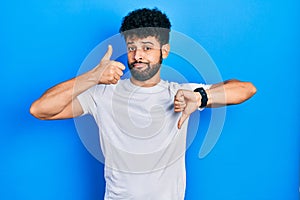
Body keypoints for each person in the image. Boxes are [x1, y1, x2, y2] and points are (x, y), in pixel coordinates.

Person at [30, 8, 256, 200]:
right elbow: (40, 109)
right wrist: (92, 77)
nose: (137, 55)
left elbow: (246, 89)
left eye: (147, 47)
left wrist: (200, 98)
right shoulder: (101, 94)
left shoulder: (181, 93)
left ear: (163, 51)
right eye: (131, 47)